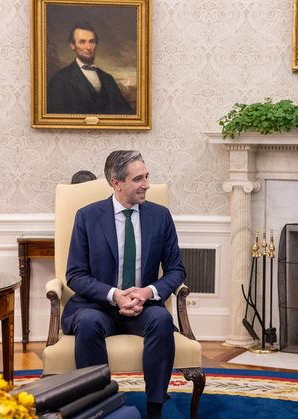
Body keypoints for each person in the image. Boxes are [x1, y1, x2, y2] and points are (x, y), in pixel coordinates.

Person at [62, 150, 185, 419]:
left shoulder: (160, 216)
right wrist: (114, 295)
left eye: (147, 176)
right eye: (138, 178)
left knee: (162, 320)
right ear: (116, 183)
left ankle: (155, 409)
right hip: (98, 306)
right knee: (88, 323)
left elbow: (176, 270)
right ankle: (96, 407)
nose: (146, 184)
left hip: (144, 306)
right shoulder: (87, 216)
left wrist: (147, 292)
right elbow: (75, 274)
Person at [47, 22, 134, 115]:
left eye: (92, 41)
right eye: (82, 42)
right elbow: (56, 118)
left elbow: (126, 114)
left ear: (96, 44)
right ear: (72, 45)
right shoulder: (60, 79)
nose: (88, 47)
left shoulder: (108, 79)